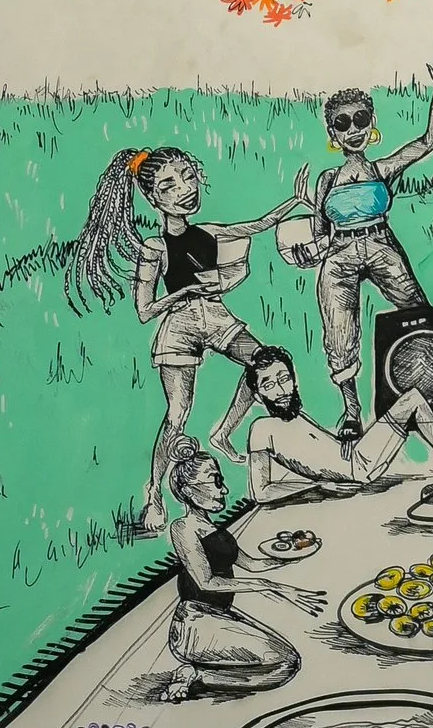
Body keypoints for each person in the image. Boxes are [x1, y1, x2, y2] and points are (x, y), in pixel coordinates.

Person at [72, 143, 296, 526]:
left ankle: (224, 432)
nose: (185, 190)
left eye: (188, 177)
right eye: (169, 186)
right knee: (178, 413)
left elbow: (258, 224)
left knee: (262, 365)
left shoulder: (208, 232)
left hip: (215, 316)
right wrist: (185, 291)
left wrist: (296, 200)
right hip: (178, 325)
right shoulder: (154, 247)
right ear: (152, 198)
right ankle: (154, 493)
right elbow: (144, 311)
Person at [287, 48, 433, 430]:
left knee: (419, 313)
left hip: (382, 245)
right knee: (339, 332)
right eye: (343, 123)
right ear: (332, 132)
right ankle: (351, 411)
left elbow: (427, 143)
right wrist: (307, 252)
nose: (353, 130)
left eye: (360, 120)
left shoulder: (382, 169)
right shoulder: (326, 181)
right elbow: (320, 234)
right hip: (339, 255)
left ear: (371, 122)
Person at [240, 347, 433, 502]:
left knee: (413, 398)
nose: (280, 390)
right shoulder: (261, 428)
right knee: (412, 399)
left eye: (284, 378)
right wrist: (319, 486)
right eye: (268, 384)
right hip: (357, 468)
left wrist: (344, 440)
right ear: (258, 396)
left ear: (294, 380)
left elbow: (318, 452)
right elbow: (261, 492)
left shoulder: (296, 415)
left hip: (355, 457)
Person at [162, 443, 298, 694]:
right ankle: (198, 677)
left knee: (288, 662)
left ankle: (201, 673)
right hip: (195, 625)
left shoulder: (217, 531)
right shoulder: (183, 528)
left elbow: (252, 565)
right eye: (214, 481)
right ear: (189, 491)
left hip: (219, 617)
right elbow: (206, 582)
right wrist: (264, 586)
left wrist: (288, 558)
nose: (224, 489)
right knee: (285, 663)